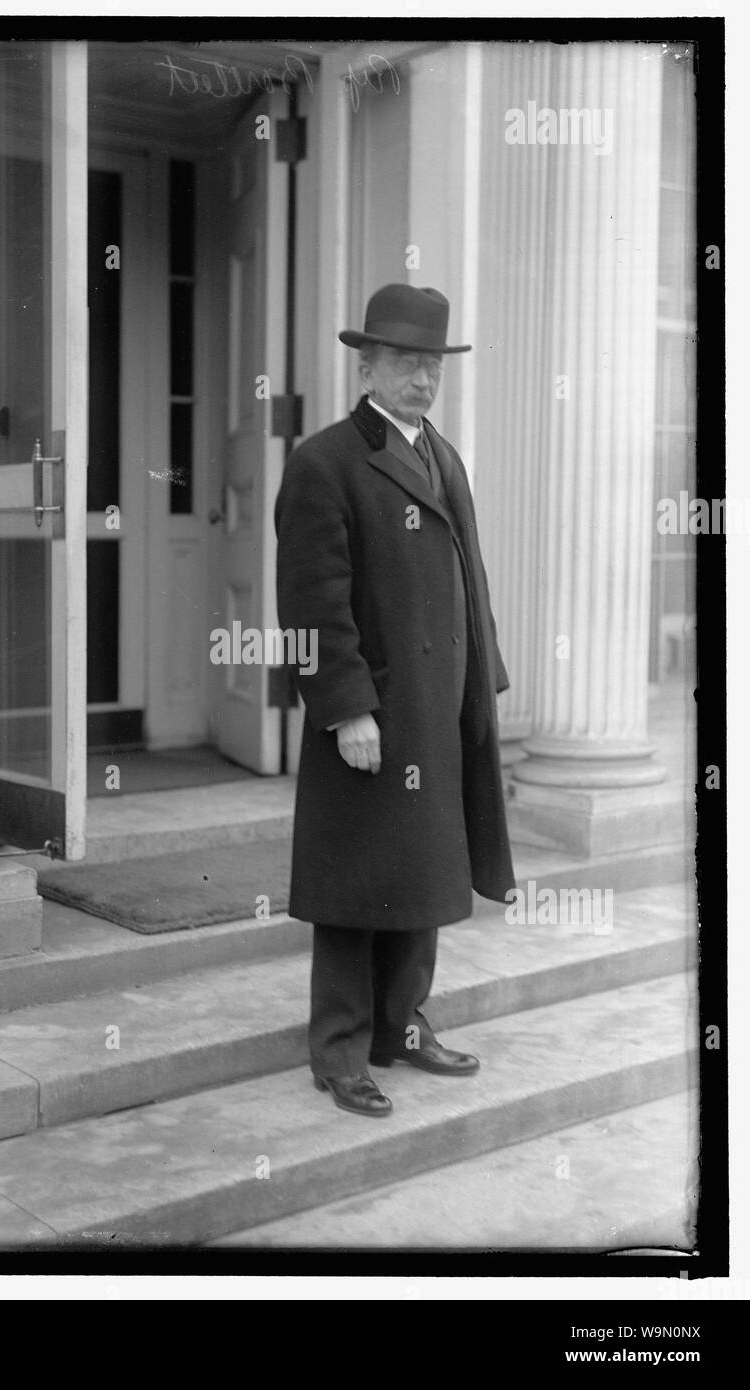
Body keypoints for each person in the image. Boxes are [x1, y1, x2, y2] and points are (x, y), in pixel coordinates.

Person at [274, 283, 516, 1118]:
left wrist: (481, 690)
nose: (420, 380)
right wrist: (345, 709)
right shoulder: (323, 461)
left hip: (437, 706)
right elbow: (312, 601)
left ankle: (400, 1029)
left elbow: (468, 579)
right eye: (404, 363)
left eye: (431, 366)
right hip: (373, 712)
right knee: (354, 884)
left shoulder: (441, 455)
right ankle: (340, 1053)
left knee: (423, 878)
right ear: (366, 363)